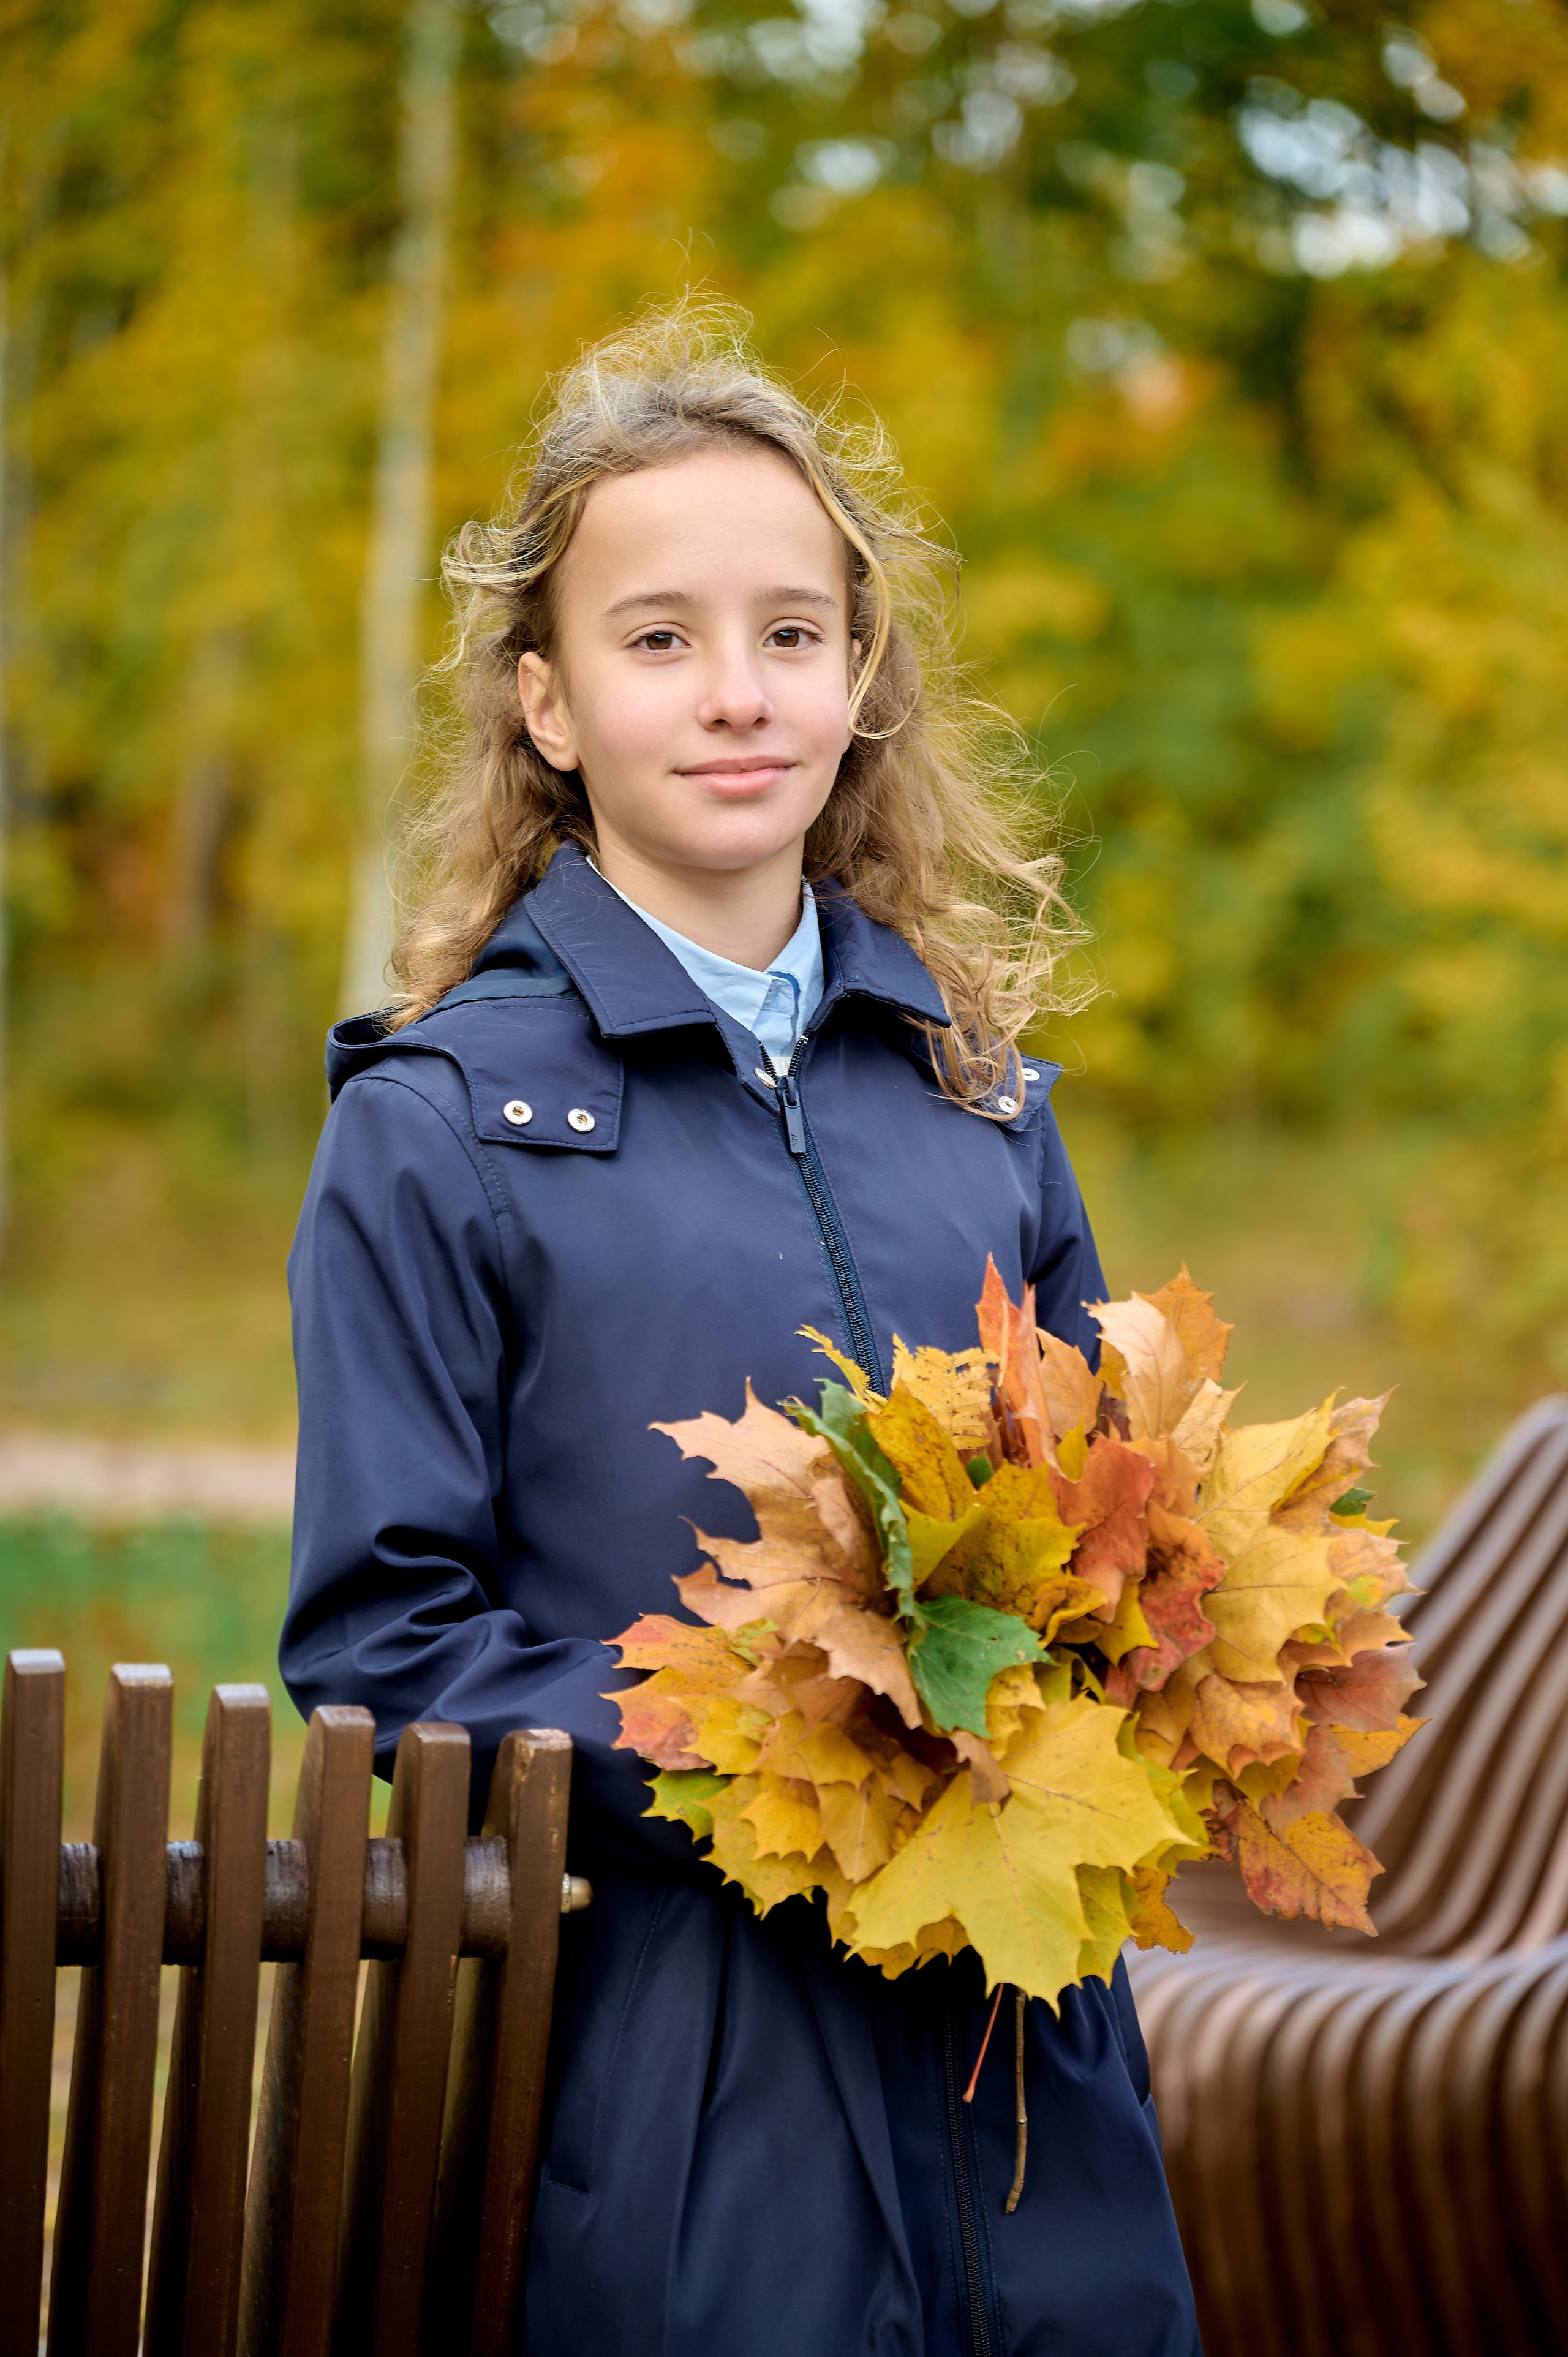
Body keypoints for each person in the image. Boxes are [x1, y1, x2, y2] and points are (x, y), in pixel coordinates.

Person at [284, 303, 1201, 2357]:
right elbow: (380, 1640)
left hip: (1031, 2073)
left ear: (861, 680)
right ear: (545, 703)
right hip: (682, 2078)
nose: (736, 695)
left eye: (793, 633)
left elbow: (1096, 1521)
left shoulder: (980, 1102)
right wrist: (781, 1757)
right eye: (659, 637)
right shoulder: (436, 1134)